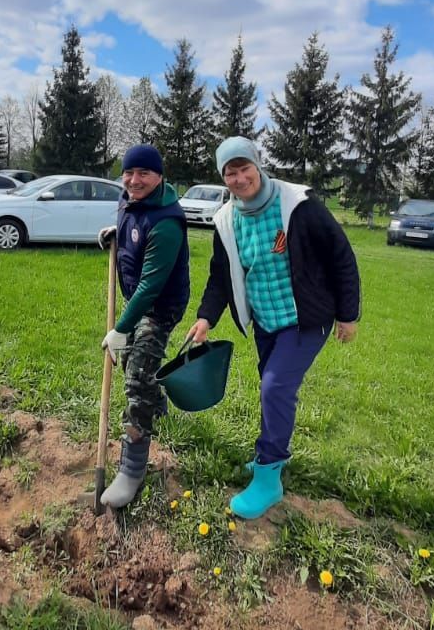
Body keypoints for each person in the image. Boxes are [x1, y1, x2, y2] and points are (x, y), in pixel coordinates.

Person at [186, 137, 360, 520]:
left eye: (244, 167)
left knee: (275, 386)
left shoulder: (298, 206)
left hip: (305, 318)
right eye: (229, 172)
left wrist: (349, 315)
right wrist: (205, 317)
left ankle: (268, 476)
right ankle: (270, 457)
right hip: (265, 320)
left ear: (258, 165)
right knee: (272, 387)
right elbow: (220, 276)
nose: (238, 178)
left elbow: (341, 255)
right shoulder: (227, 219)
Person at [97, 143, 190, 508]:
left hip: (160, 305)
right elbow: (133, 224)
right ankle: (155, 398)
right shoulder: (128, 200)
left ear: (160, 177)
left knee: (135, 375)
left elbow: (152, 286)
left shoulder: (167, 220)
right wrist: (115, 232)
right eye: (129, 173)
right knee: (140, 366)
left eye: (144, 174)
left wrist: (121, 328)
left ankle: (131, 470)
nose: (134, 180)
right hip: (140, 297)